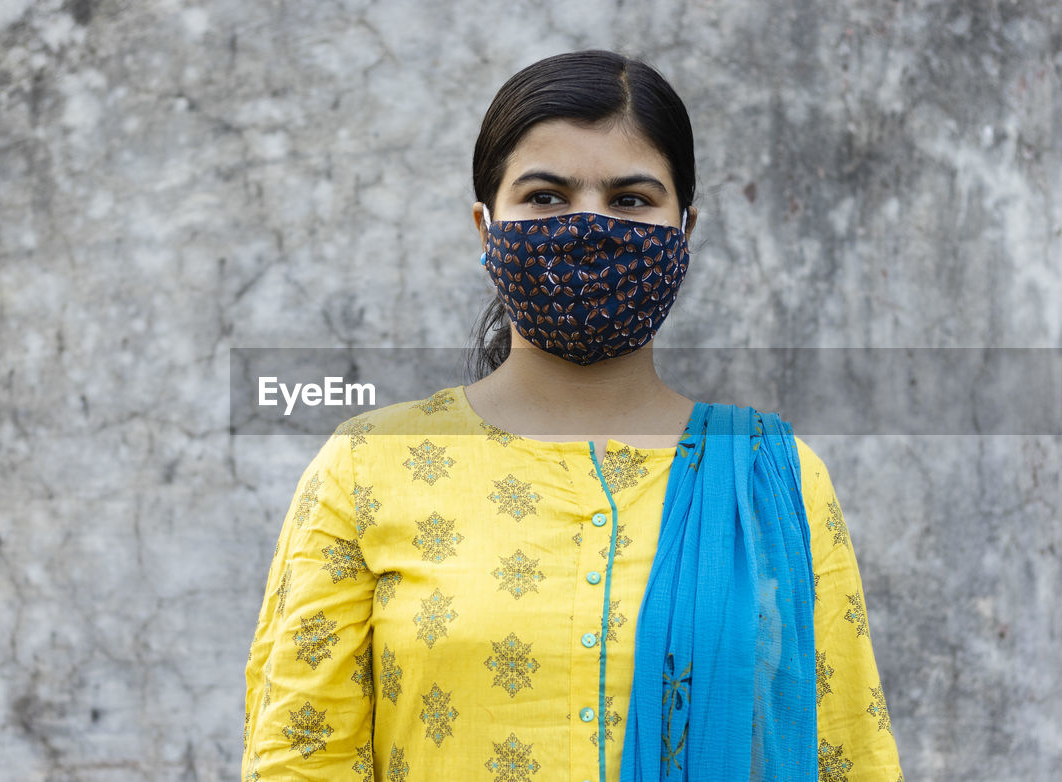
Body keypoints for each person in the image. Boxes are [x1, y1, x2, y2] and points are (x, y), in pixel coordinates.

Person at [241, 50, 903, 781]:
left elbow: (846, 753)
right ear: (486, 227)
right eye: (547, 197)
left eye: (629, 200)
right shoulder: (370, 465)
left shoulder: (772, 481)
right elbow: (301, 758)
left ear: (684, 228)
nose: (588, 227)